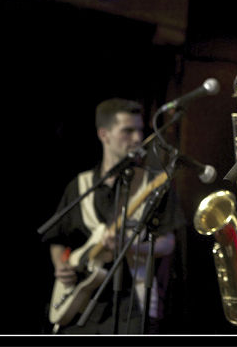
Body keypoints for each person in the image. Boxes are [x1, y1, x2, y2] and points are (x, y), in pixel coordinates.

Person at [42, 98, 185, 334]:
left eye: (140, 130)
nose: (137, 138)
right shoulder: (80, 185)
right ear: (104, 134)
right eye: (127, 131)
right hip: (80, 306)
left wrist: (128, 245)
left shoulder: (154, 183)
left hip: (132, 307)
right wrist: (61, 265)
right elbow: (58, 238)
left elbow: (168, 242)